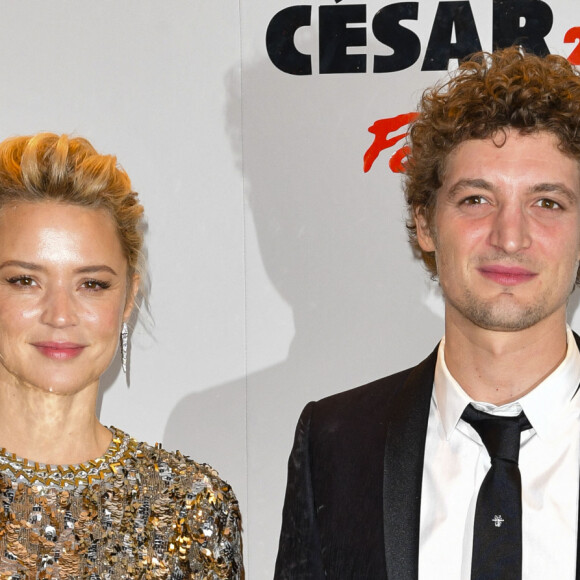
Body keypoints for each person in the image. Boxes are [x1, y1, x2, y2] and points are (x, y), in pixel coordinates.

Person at [275, 47, 580, 579]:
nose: (510, 237)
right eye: (476, 200)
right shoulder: (336, 446)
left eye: (547, 202)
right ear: (424, 223)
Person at [0, 133, 243, 578]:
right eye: (24, 280)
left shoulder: (190, 505)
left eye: (92, 284)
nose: (60, 315)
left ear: (128, 298)